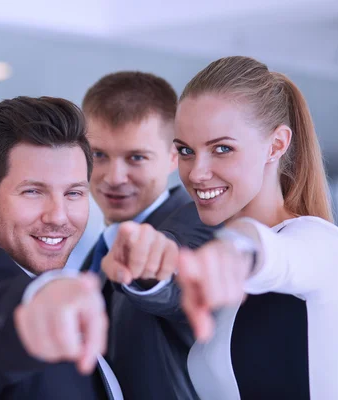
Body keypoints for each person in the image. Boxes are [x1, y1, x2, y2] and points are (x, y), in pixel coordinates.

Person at [170, 56, 338, 399]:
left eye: (222, 149)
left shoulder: (319, 242)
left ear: (276, 145)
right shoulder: (220, 264)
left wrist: (238, 246)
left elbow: (281, 255)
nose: (196, 173)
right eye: (186, 150)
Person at [0, 96, 119, 400]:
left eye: (74, 193)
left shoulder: (81, 292)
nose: (58, 215)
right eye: (33, 191)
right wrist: (35, 301)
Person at [80, 71, 216, 399]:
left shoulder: (196, 223)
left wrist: (150, 271)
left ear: (174, 155)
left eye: (136, 157)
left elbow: (174, 271)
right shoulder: (96, 249)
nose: (114, 177)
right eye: (98, 155)